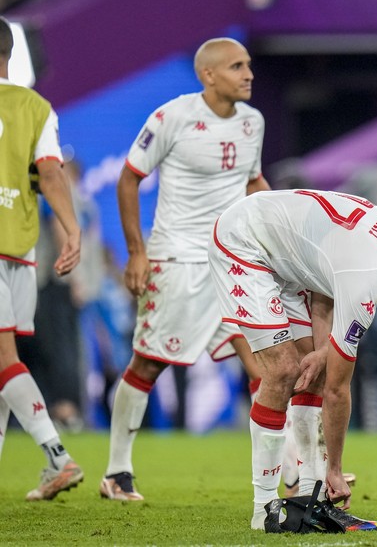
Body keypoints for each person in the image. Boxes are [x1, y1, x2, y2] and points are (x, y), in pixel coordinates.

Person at [206, 189, 377, 530]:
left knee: (311, 371)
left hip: (284, 251)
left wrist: (321, 349)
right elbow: (337, 391)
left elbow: (325, 278)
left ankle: (308, 501)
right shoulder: (368, 285)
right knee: (284, 370)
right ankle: (265, 511)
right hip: (244, 241)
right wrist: (335, 468)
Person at [100, 37, 272, 501]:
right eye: (237, 66)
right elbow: (129, 177)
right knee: (149, 363)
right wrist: (138, 252)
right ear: (209, 75)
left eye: (249, 65)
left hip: (234, 261)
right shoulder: (171, 116)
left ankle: (286, 477)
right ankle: (117, 472)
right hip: (179, 259)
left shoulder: (252, 122)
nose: (248, 74)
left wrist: (278, 237)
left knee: (267, 366)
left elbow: (253, 180)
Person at [0, 15, 85, 500]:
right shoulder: (37, 107)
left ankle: (58, 456)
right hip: (21, 253)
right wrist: (72, 231)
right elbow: (51, 174)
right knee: (3, 364)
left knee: (5, 360)